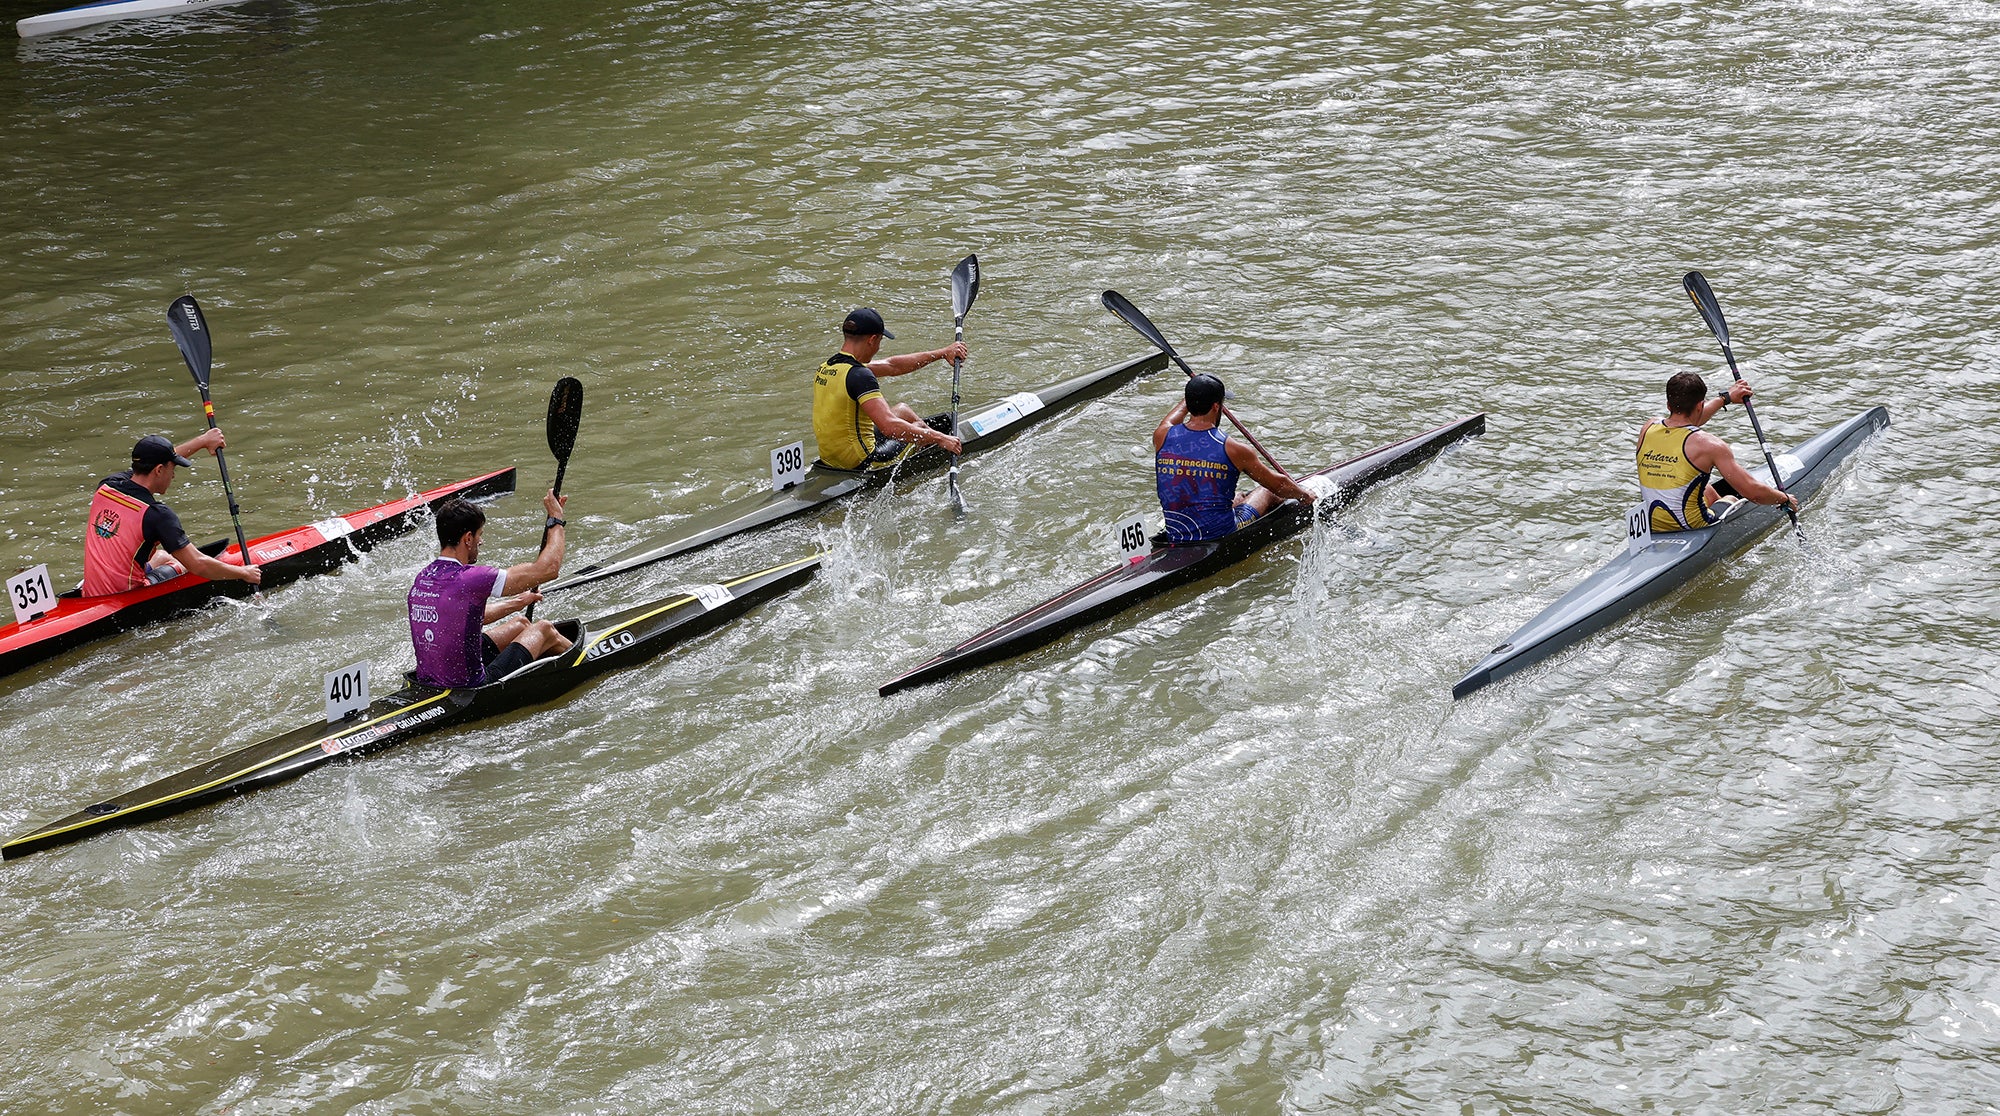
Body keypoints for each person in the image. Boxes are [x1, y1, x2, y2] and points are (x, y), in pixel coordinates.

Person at [408, 492, 574, 689]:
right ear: (468, 538)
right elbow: (548, 570)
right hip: (470, 685)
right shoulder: (471, 578)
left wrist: (517, 603)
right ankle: (588, 660)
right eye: (480, 535)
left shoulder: (424, 577)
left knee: (521, 624)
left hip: (430, 680)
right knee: (545, 629)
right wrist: (556, 519)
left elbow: (458, 617)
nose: (481, 542)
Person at [82, 432, 263, 597]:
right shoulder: (157, 515)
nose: (173, 476)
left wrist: (203, 441)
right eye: (173, 469)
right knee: (185, 564)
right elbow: (198, 564)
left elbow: (159, 459)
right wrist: (244, 573)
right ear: (159, 470)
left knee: (162, 557)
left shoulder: (108, 486)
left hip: (92, 591)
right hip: (125, 596)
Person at [1154, 374, 1316, 543]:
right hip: (1220, 534)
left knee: (1237, 498)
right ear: (1216, 407)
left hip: (1176, 533)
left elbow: (1173, 417)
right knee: (1266, 491)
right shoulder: (1234, 449)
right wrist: (1304, 495)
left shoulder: (1162, 435)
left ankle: (1239, 504)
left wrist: (1194, 394)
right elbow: (1277, 484)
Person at [1636, 371, 1799, 531]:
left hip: (1652, 524)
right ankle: (1717, 530)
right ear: (1700, 405)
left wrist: (1725, 398)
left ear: (1668, 405)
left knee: (1705, 489)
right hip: (1689, 525)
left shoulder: (1648, 428)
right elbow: (1753, 493)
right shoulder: (1710, 445)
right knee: (1731, 498)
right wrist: (1784, 499)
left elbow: (1685, 423)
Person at [811, 307, 968, 470]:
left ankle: (933, 440)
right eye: (879, 341)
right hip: (862, 462)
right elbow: (889, 427)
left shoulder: (827, 367)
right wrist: (939, 438)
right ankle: (939, 448)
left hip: (831, 458)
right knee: (920, 429)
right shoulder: (860, 376)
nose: (878, 348)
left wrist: (943, 353)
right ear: (872, 340)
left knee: (902, 410)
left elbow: (892, 366)